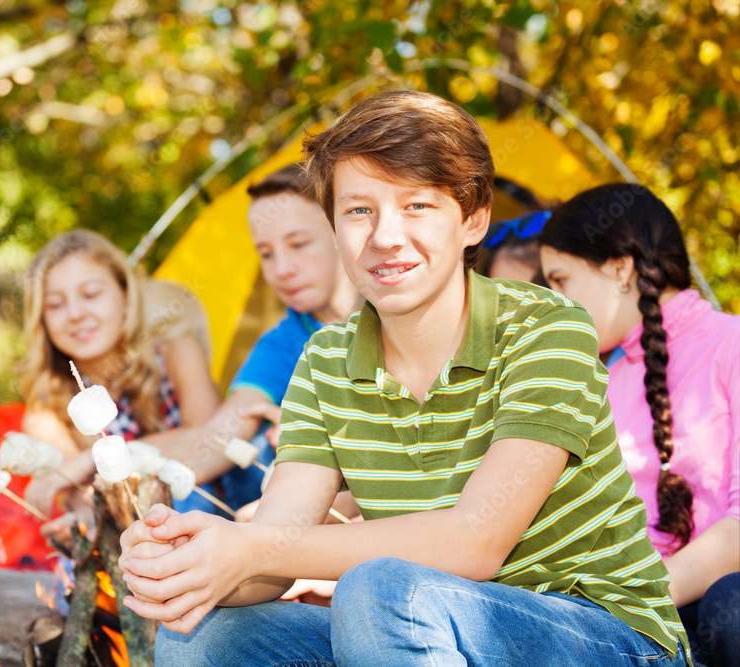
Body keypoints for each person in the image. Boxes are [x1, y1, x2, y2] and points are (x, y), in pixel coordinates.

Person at [117, 90, 691, 666]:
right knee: (204, 638)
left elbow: (477, 543)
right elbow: (273, 552)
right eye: (359, 210)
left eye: (416, 206)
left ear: (473, 218)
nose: (386, 236)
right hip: (424, 627)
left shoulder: (547, 327)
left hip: (608, 637)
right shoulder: (324, 363)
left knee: (383, 590)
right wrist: (189, 563)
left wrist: (253, 545)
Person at [538, 183, 739, 666]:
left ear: (620, 268)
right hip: (629, 621)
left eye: (561, 280)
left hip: (699, 612)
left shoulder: (731, 345)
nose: (552, 299)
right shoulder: (600, 379)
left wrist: (628, 605)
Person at [158, 163, 360, 513]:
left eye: (298, 244)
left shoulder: (401, 318)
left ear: (343, 233)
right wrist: (135, 465)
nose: (282, 269)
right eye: (266, 254)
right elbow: (223, 431)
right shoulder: (284, 342)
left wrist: (313, 434)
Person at [18, 229, 221, 520]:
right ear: (42, 320)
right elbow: (81, 497)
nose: (75, 313)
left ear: (126, 296)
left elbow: (212, 440)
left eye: (91, 294)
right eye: (55, 304)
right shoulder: (46, 410)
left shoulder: (176, 352)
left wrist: (89, 459)